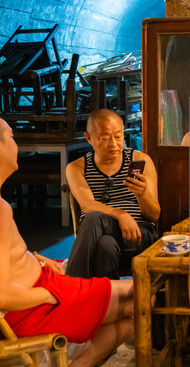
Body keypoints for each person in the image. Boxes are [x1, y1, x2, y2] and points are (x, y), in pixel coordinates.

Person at [0, 105, 134, 367]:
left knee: (125, 288)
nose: (16, 145)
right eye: (12, 138)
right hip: (25, 309)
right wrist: (51, 294)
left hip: (27, 291)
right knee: (139, 298)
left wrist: (34, 259)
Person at [65, 109, 160, 280]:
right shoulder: (77, 168)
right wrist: (121, 214)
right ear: (89, 138)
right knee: (105, 245)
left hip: (138, 235)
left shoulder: (140, 160)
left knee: (93, 218)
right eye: (105, 138)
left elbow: (154, 215)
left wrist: (142, 194)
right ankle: (108, 303)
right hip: (99, 237)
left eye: (118, 136)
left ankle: (70, 286)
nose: (114, 144)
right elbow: (87, 204)